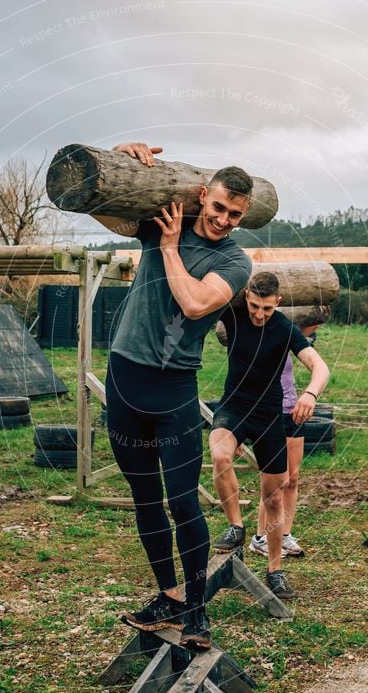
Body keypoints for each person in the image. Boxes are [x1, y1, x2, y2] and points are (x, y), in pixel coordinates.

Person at [93, 142, 253, 650]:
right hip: (124, 380)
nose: (225, 220)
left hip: (173, 390)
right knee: (144, 499)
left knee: (184, 501)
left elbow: (195, 300)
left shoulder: (234, 260)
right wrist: (115, 158)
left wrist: (166, 249)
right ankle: (168, 595)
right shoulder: (168, 218)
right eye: (220, 208)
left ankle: (197, 612)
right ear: (203, 196)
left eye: (236, 215)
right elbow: (101, 208)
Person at [210, 271, 330, 599]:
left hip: (269, 415)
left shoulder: (284, 329)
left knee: (274, 498)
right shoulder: (233, 315)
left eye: (265, 308)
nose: (259, 314)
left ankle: (275, 570)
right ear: (246, 297)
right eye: (253, 306)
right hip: (234, 407)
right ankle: (236, 526)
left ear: (277, 302)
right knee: (220, 454)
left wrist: (310, 395)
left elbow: (321, 368)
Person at [255, 313, 328, 560]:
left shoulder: (290, 335)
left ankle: (284, 534)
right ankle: (261, 537)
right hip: (269, 412)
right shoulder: (261, 335)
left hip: (293, 410)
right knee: (275, 480)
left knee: (293, 479)